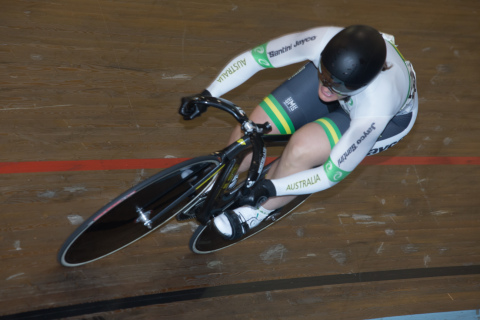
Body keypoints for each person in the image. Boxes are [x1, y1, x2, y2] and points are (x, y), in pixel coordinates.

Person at [180, 25, 418, 240]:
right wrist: (209, 93)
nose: (326, 90)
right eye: (324, 75)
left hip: (381, 120)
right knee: (254, 127)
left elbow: (330, 174)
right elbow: (255, 59)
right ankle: (221, 181)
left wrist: (273, 188)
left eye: (338, 85)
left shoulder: (376, 108)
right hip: (350, 86)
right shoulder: (322, 39)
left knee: (301, 149)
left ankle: (258, 211)